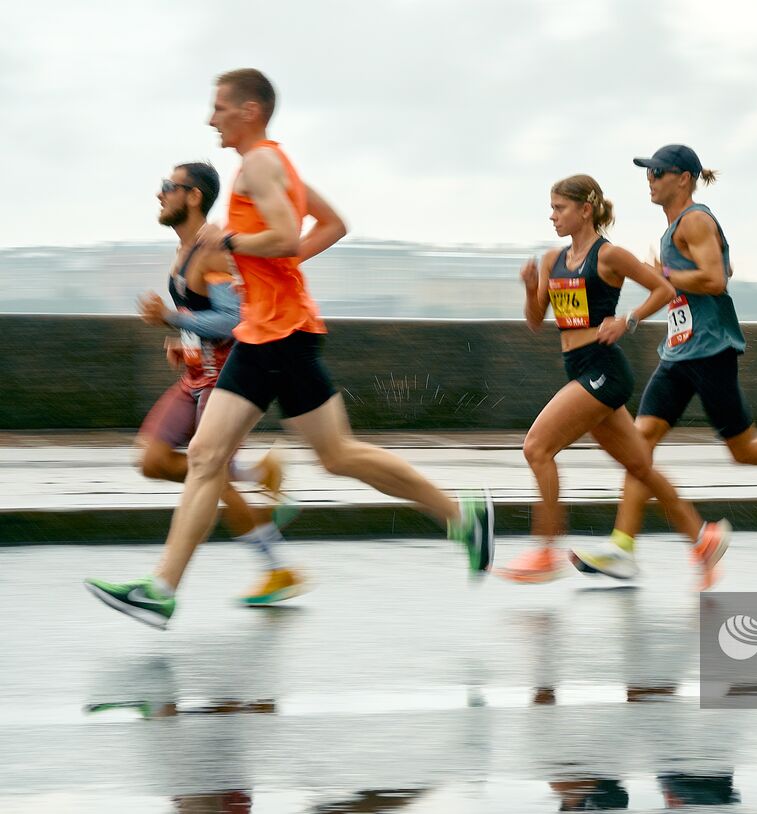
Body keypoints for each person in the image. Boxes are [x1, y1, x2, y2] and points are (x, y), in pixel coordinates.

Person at [85, 68, 492, 629]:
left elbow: (279, 234)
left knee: (326, 455)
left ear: (249, 110)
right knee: (227, 457)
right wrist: (274, 271)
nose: (211, 119)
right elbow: (331, 224)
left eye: (219, 108)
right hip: (269, 330)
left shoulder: (258, 165)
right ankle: (161, 590)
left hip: (278, 334)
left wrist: (230, 242)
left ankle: (462, 514)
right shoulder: (276, 162)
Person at [570, 145, 757, 579]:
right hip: (679, 351)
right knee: (640, 448)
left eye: (657, 172)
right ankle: (622, 546)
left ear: (684, 178)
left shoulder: (696, 219)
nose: (649, 179)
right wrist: (638, 311)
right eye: (647, 172)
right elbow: (674, 289)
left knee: (744, 450)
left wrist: (665, 276)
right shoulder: (671, 229)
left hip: (709, 350)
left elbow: (715, 279)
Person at [499, 174, 730, 587]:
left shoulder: (609, 256)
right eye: (551, 208)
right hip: (579, 366)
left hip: (604, 370)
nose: (552, 216)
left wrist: (628, 320)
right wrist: (531, 286)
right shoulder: (553, 260)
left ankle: (546, 550)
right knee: (640, 467)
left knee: (537, 447)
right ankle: (703, 538)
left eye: (560, 208)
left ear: (585, 210)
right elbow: (536, 322)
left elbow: (661, 288)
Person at [135, 161, 304, 605]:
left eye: (168, 187)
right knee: (153, 460)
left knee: (207, 475)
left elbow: (234, 318)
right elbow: (208, 317)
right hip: (195, 376)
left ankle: (277, 569)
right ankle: (256, 473)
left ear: (192, 196)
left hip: (223, 382)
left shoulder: (211, 250)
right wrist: (185, 341)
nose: (160, 194)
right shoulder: (185, 249)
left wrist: (171, 317)